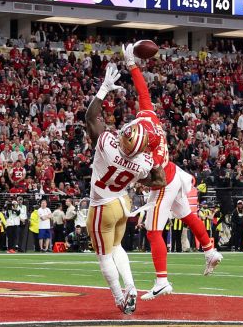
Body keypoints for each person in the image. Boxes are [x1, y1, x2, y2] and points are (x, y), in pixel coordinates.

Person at [120, 44, 223, 296]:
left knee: (153, 229)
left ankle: (162, 281)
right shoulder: (150, 118)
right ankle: (210, 250)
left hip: (164, 181)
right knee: (187, 214)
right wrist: (132, 65)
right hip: (174, 172)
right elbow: (143, 92)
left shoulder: (146, 150)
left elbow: (151, 178)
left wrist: (136, 178)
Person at [85, 62, 163, 314]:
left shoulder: (108, 143)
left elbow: (90, 117)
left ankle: (120, 296)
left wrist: (104, 89)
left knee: (104, 255)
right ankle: (130, 286)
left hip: (101, 206)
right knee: (118, 247)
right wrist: (156, 150)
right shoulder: (143, 162)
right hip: (123, 204)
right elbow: (158, 180)